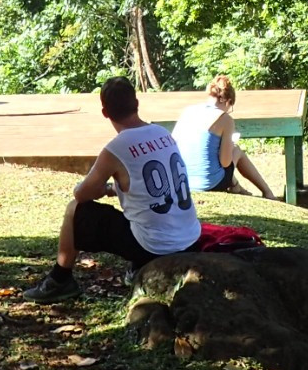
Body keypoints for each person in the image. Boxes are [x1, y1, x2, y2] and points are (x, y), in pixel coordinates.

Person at [24, 77, 200, 303]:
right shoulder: (163, 133)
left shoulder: (117, 148)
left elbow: (82, 194)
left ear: (105, 112)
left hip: (154, 247)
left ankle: (60, 279)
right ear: (136, 103)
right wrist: (114, 188)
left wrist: (105, 189)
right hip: (191, 238)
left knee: (75, 209)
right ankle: (138, 267)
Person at [172, 74, 276, 198]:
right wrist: (230, 145)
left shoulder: (188, 111)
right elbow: (225, 162)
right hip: (209, 184)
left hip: (183, 181)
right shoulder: (225, 118)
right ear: (226, 100)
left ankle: (236, 186)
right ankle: (267, 192)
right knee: (237, 151)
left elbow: (173, 144)